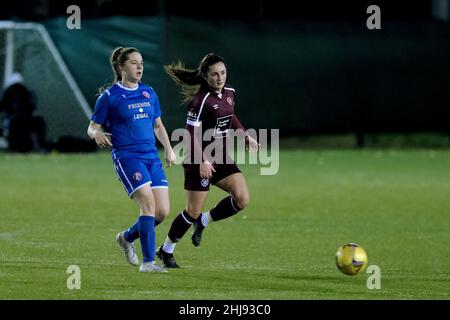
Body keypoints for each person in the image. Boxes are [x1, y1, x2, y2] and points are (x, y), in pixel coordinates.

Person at [157, 53, 260, 268]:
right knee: (191, 211)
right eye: (214, 74)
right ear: (205, 76)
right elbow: (190, 133)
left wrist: (245, 136)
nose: (220, 78)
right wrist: (202, 160)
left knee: (242, 199)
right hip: (198, 158)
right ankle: (166, 250)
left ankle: (204, 221)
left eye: (222, 73)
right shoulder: (200, 101)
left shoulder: (230, 93)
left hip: (220, 156)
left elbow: (231, 117)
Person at [87, 47, 176, 273]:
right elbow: (92, 127)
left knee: (161, 212)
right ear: (120, 67)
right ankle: (148, 263)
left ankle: (126, 238)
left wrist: (168, 149)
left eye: (142, 63)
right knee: (148, 204)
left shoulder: (149, 93)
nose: (139, 67)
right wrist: (96, 133)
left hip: (151, 157)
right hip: (127, 158)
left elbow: (158, 125)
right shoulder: (109, 97)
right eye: (134, 63)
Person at [0, 72, 47, 152]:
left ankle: (38, 147)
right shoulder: (6, 96)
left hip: (25, 119)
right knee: (15, 122)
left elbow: (31, 107)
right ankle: (14, 147)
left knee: (39, 121)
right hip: (10, 121)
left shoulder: (27, 95)